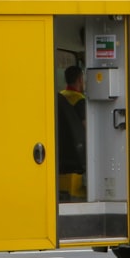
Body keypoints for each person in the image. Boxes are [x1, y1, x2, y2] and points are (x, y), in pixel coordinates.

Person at [57, 65, 87, 200]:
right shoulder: (80, 100)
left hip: (62, 151)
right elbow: (87, 128)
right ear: (80, 80)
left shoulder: (61, 96)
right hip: (77, 154)